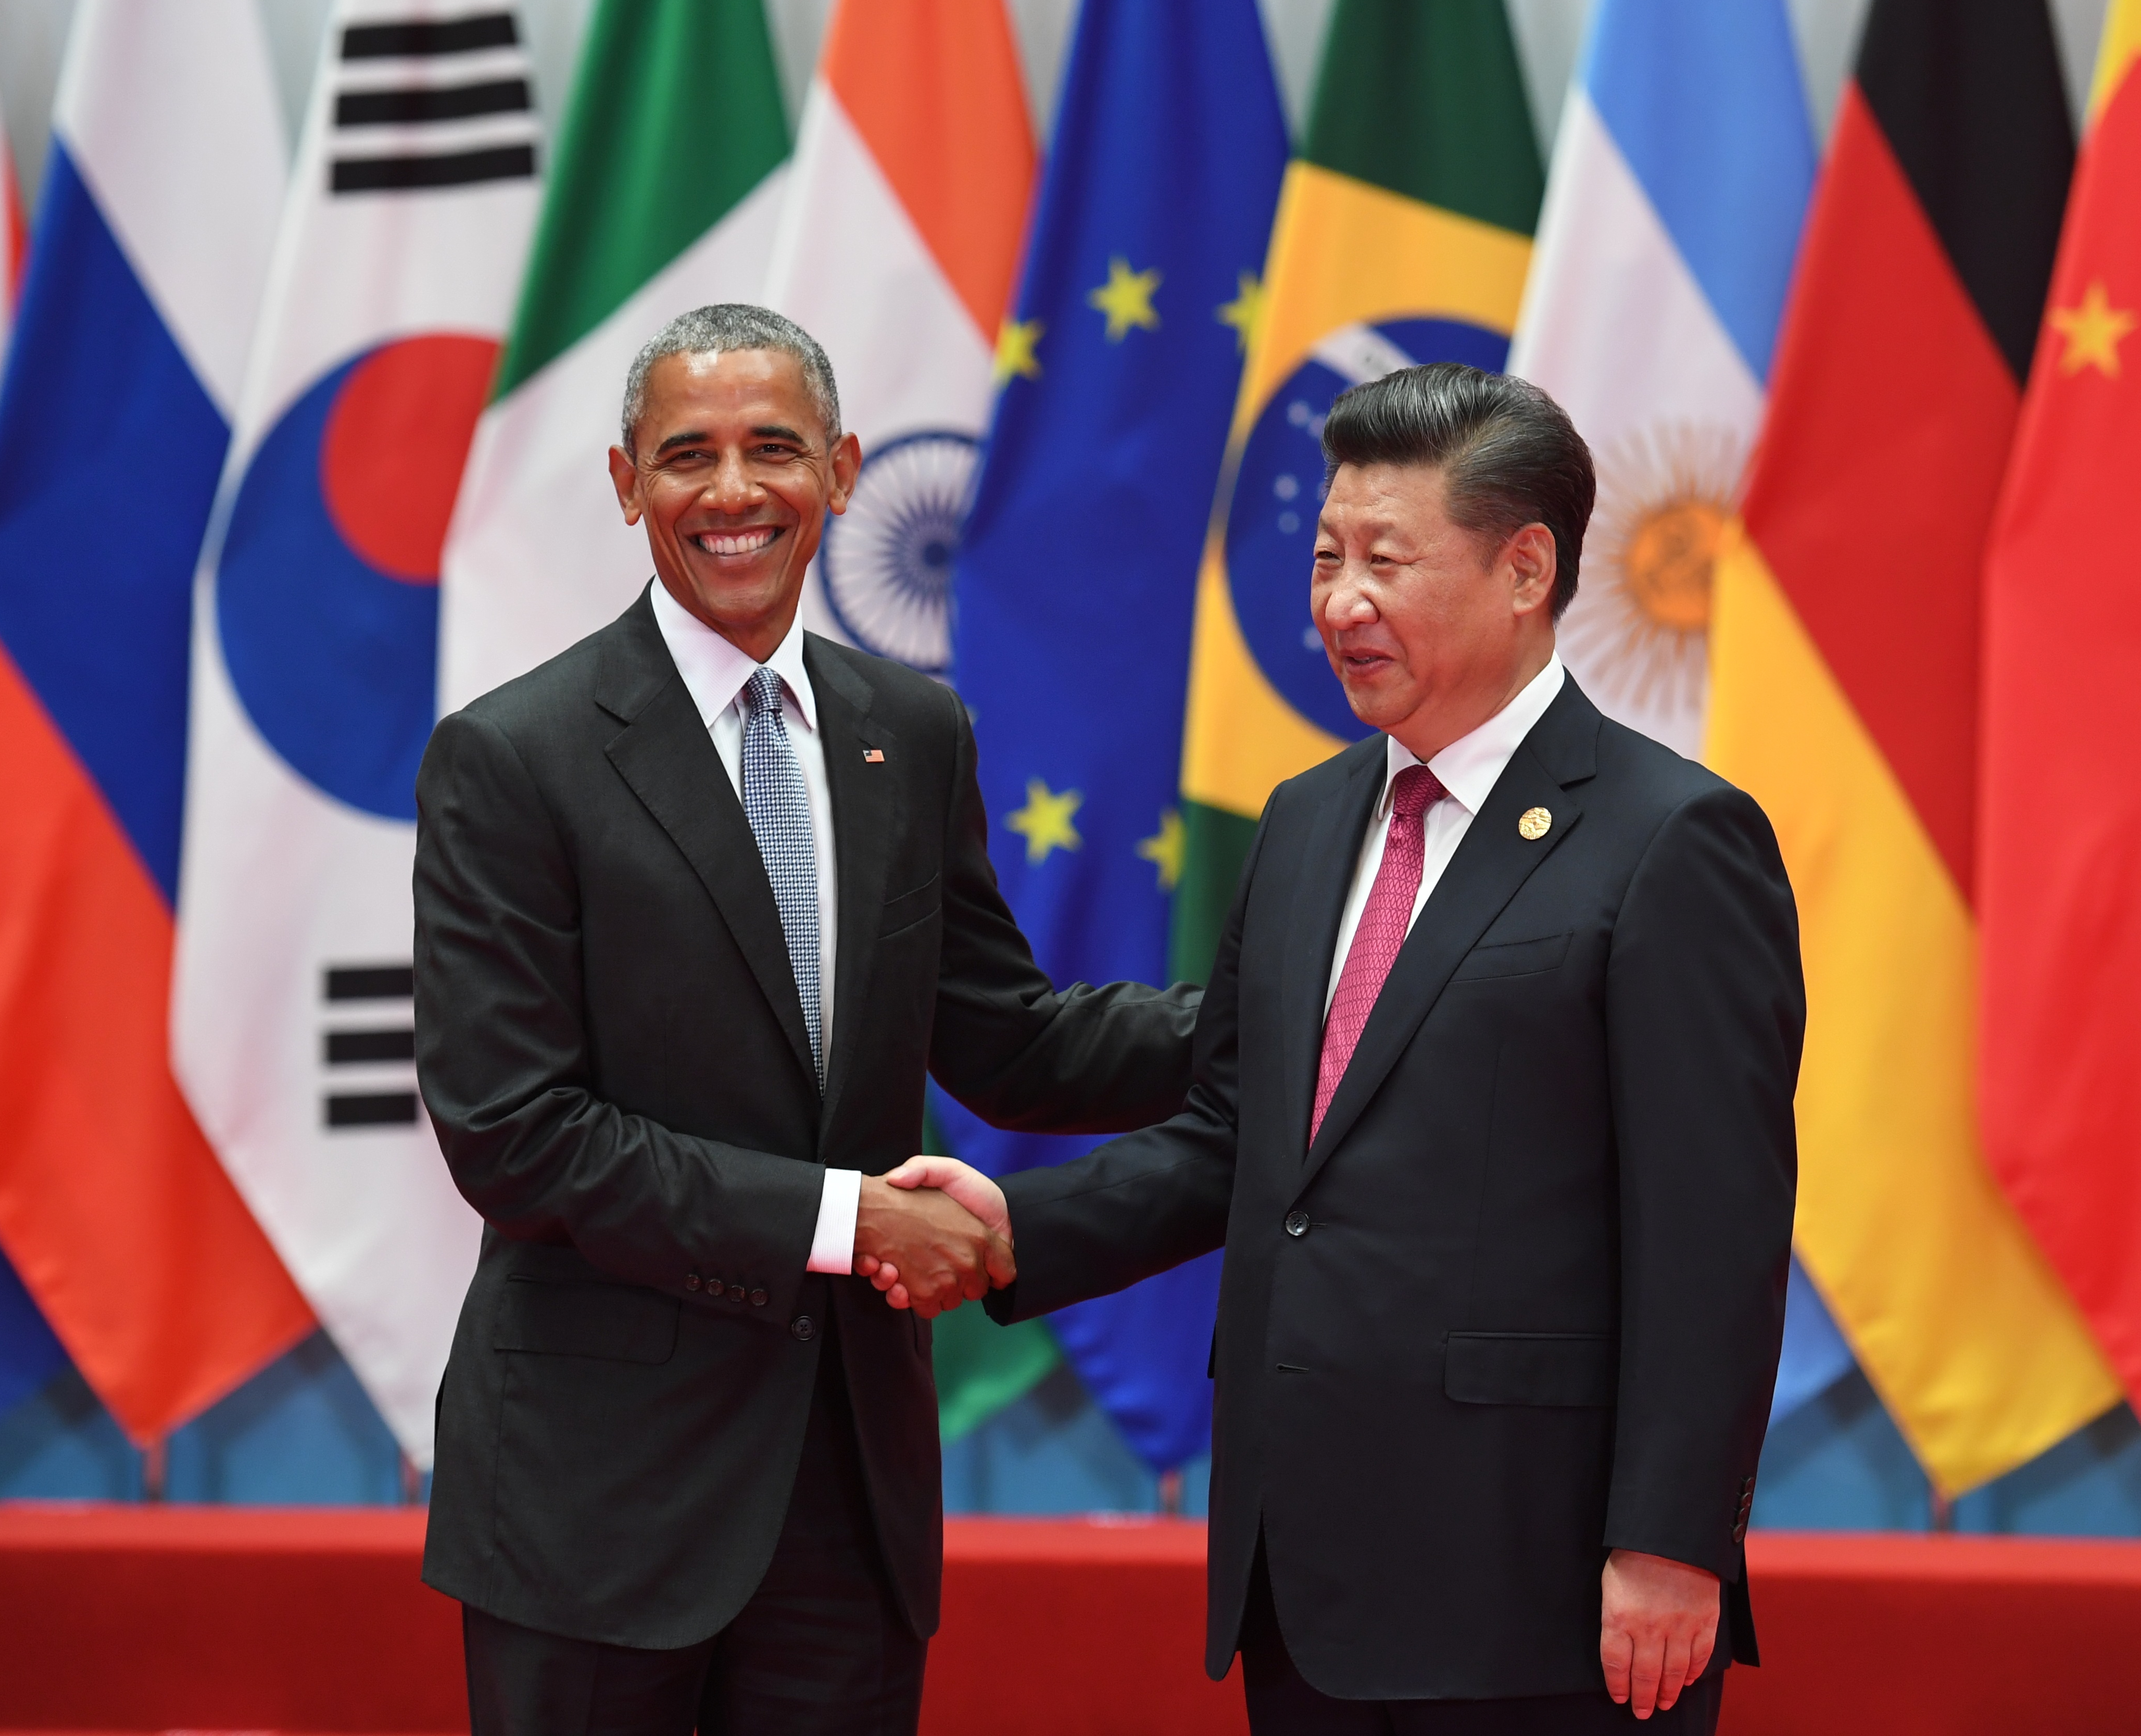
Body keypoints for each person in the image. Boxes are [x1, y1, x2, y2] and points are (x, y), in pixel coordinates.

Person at [885, 363, 1802, 1731]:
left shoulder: (1671, 840)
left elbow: (1714, 1233)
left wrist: (1671, 1542)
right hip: (1304, 1573)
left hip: (1539, 1582)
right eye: (1326, 558)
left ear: (1525, 569)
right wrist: (1016, 1228)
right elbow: (1243, 1132)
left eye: (1387, 560)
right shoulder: (1309, 820)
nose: (1340, 603)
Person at [413, 303, 1197, 1736]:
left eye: (773, 449)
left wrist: (1296, 1005)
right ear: (625, 483)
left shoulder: (914, 730)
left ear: (841, 471)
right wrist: (848, 1221)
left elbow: (1011, 1042)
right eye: (687, 456)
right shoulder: (513, 758)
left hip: (847, 1490)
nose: (733, 492)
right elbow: (516, 1137)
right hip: (597, 1500)